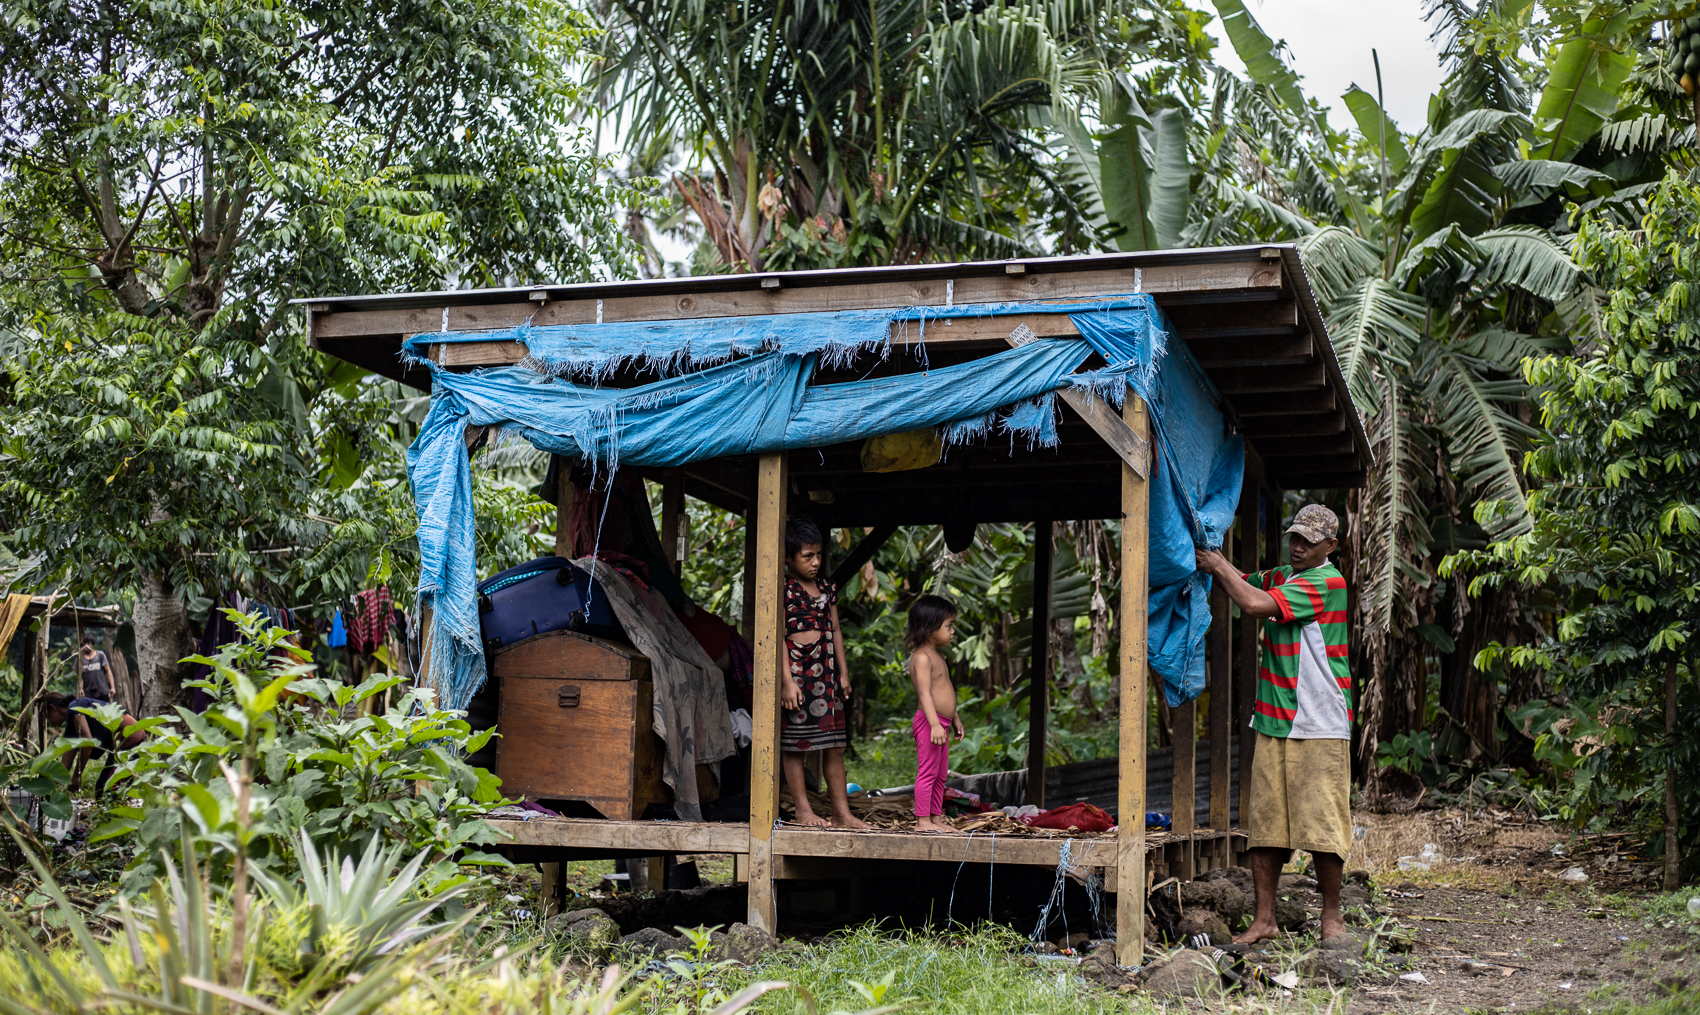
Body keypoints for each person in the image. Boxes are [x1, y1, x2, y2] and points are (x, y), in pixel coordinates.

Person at [1194, 502, 1352, 943]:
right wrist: (1218, 561)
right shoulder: (1287, 574)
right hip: (1275, 718)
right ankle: (1265, 920)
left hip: (1319, 720)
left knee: (1321, 824)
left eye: (1308, 541)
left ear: (1330, 547)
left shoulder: (1326, 581)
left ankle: (1332, 918)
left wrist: (1216, 563)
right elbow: (1250, 581)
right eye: (1295, 537)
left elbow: (1253, 602)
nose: (1298, 546)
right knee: (1266, 825)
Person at [779, 518, 868, 829]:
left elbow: (836, 630)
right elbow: (776, 635)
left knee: (834, 745)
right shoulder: (783, 589)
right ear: (788, 558)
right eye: (807, 556)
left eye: (818, 555)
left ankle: (841, 813)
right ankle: (803, 811)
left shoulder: (828, 587)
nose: (815, 562)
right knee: (795, 746)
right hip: (799, 679)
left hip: (827, 675)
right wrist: (787, 682)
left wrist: (843, 673)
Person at [905, 595, 962, 833]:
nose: (952, 631)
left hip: (943, 722)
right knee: (928, 772)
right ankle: (922, 821)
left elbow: (945, 690)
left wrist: (955, 717)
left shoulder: (938, 655)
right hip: (930, 722)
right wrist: (935, 725)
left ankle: (935, 818)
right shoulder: (921, 657)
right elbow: (925, 694)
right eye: (948, 626)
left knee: (940, 774)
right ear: (929, 628)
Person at [39, 691, 147, 798]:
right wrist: (47, 789)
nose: (49, 721)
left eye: (47, 716)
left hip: (131, 739)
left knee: (113, 791)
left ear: (53, 708)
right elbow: (65, 764)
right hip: (119, 747)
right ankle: (110, 814)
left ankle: (122, 814)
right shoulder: (71, 727)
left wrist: (77, 775)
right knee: (101, 791)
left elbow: (88, 743)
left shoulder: (74, 708)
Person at [73, 635, 114, 703]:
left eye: (88, 643)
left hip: (102, 691)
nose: (86, 645)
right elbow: (80, 677)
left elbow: (108, 671)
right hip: (88, 693)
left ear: (92, 644)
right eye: (84, 644)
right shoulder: (79, 659)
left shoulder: (100, 655)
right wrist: (80, 689)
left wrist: (112, 687)